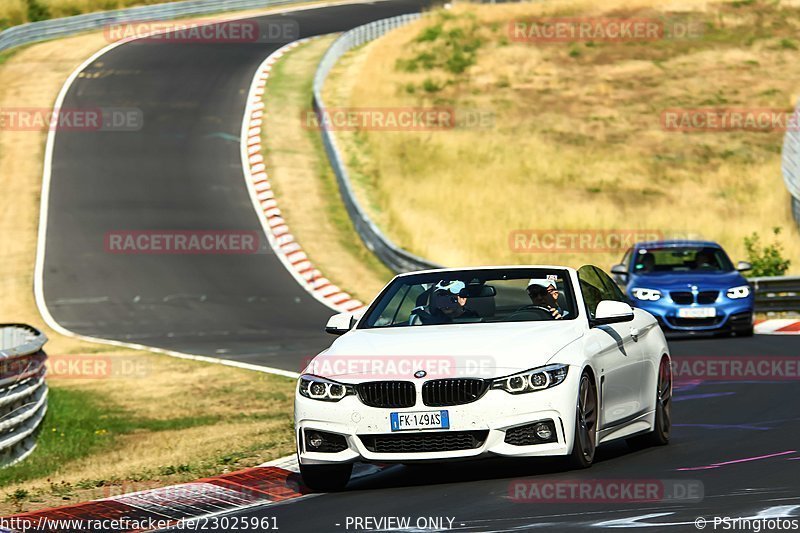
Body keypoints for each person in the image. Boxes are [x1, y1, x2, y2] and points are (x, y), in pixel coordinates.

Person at [409, 280, 480, 325]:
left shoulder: (474, 320)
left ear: (463, 300)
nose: (445, 303)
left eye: (450, 298)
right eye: (441, 298)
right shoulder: (431, 319)